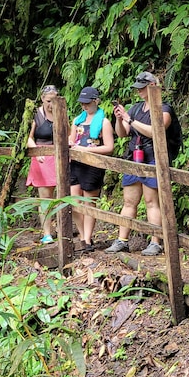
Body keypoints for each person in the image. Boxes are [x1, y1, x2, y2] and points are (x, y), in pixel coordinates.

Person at [106, 72, 180, 256]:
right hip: (134, 156)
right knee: (129, 201)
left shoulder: (164, 109)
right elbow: (122, 134)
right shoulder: (136, 108)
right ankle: (122, 240)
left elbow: (155, 131)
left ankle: (155, 242)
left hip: (153, 157)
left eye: (143, 87)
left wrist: (129, 119)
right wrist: (119, 119)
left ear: (154, 86)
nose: (139, 91)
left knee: (151, 201)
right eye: (138, 87)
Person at [68, 86, 114, 253]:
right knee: (74, 202)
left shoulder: (104, 122)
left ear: (96, 101)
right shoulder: (77, 121)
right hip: (75, 165)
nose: (84, 106)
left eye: (87, 103)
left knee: (89, 203)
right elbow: (72, 140)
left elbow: (109, 147)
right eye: (82, 104)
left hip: (93, 165)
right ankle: (81, 235)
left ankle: (87, 239)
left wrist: (86, 150)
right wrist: (72, 145)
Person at [26, 84, 59, 244]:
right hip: (41, 156)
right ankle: (47, 232)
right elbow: (28, 137)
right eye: (48, 101)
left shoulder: (61, 111)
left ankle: (62, 228)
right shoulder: (36, 115)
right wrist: (36, 151)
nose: (51, 104)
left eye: (54, 100)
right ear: (42, 99)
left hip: (58, 155)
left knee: (63, 195)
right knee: (45, 197)